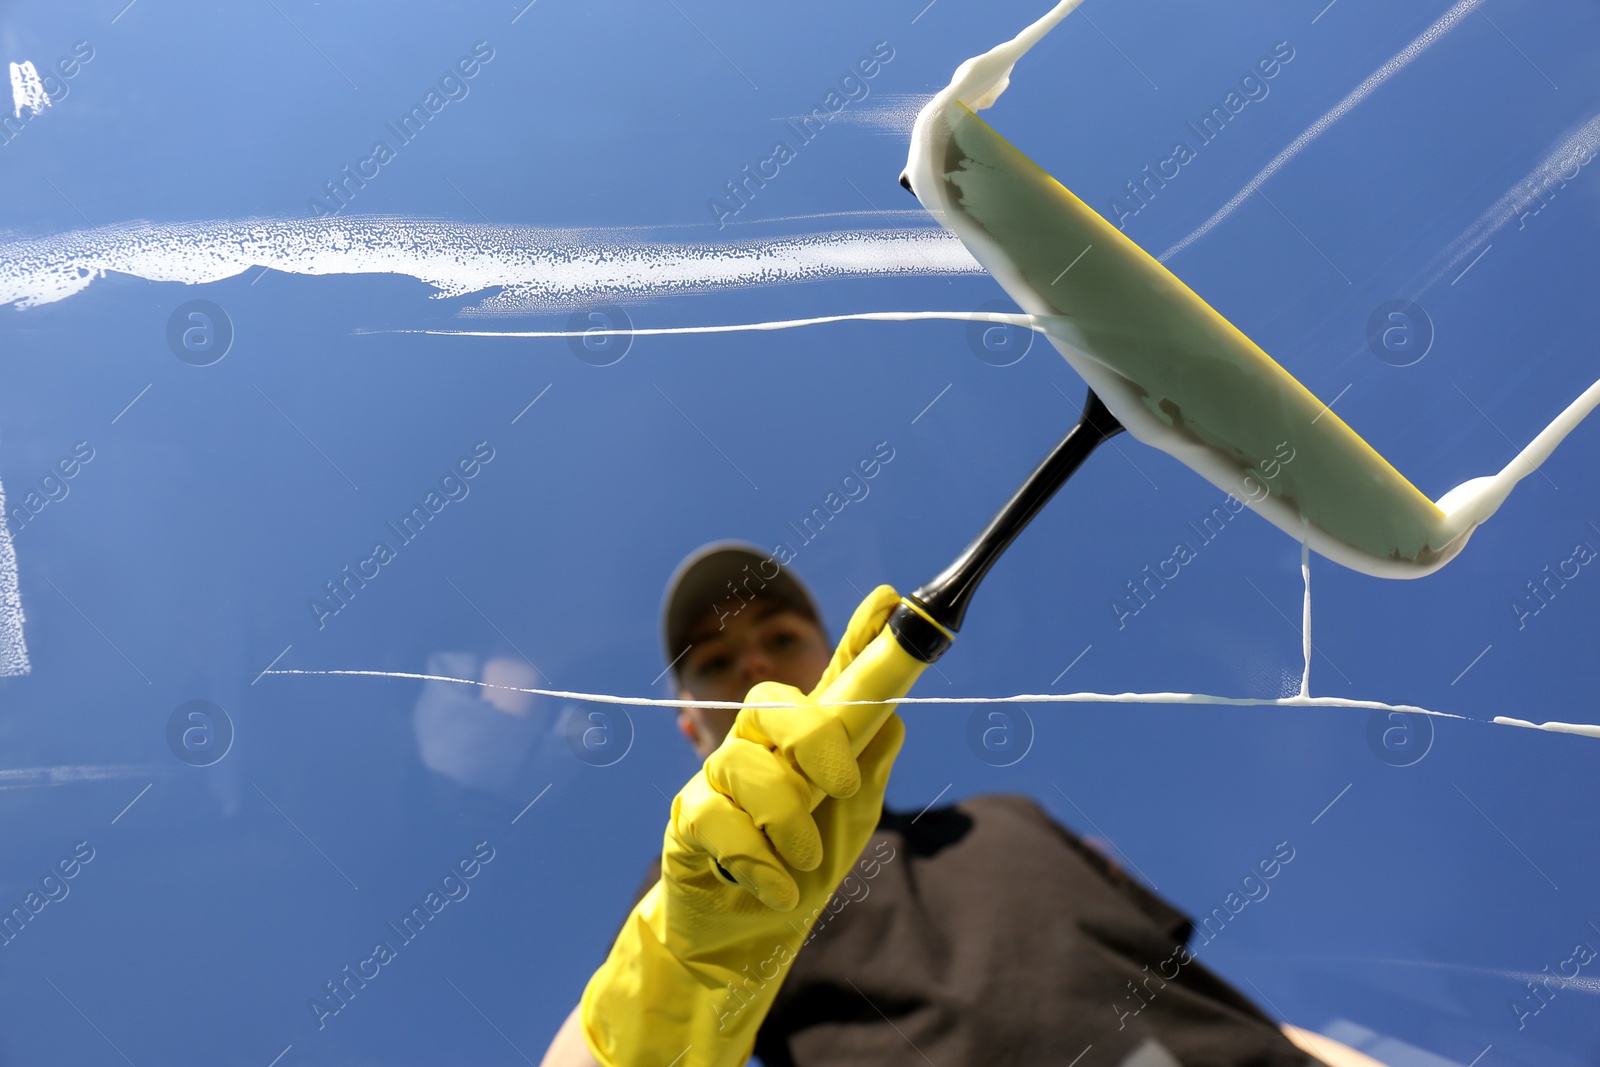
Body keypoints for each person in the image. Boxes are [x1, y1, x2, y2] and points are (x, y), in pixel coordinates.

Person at [540, 544, 1386, 1067]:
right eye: (717, 661)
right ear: (690, 723)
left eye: (780, 635)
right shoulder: (699, 889)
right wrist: (689, 947)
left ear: (833, 652)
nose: (756, 663)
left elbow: (1226, 1007)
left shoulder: (1007, 816)